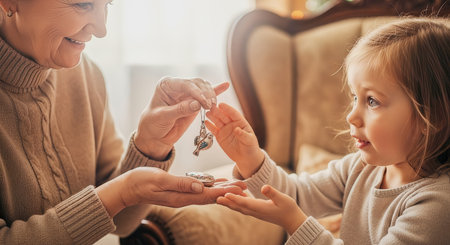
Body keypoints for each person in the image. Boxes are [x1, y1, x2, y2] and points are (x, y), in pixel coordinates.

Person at [0, 0, 246, 244]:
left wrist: (150, 146)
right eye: (83, 4)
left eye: (107, 4)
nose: (101, 29)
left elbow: (122, 224)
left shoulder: (86, 74)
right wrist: (122, 191)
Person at [206, 18, 450, 244]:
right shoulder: (359, 168)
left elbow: (294, 209)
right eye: (355, 97)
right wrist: (250, 158)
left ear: (431, 116)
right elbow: (298, 195)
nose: (351, 116)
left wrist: (295, 223)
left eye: (372, 101)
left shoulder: (438, 204)